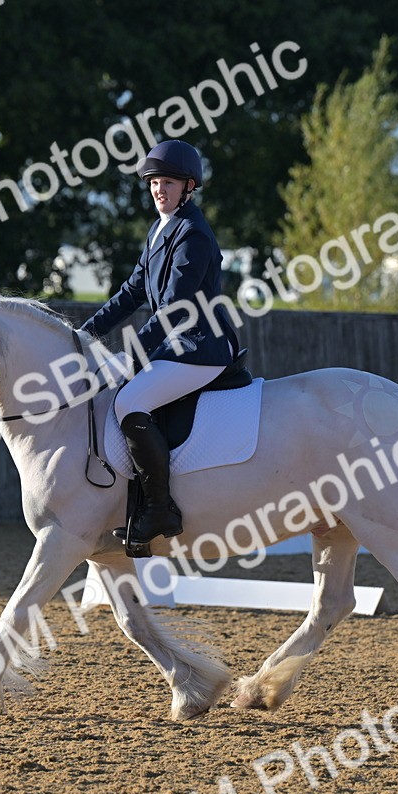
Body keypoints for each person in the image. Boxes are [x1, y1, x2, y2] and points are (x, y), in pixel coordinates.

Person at [80, 140, 240, 546]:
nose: (158, 189)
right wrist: (85, 334)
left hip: (201, 347)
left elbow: (173, 308)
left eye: (167, 182)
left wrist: (130, 355)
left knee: (129, 401)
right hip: (176, 347)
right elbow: (131, 293)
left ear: (189, 186)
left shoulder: (193, 234)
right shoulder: (160, 229)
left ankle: (158, 508)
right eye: (153, 182)